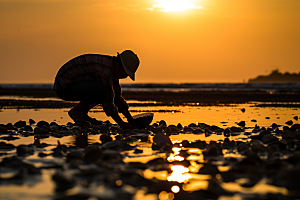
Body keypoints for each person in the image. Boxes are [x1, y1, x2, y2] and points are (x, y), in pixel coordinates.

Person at [53, 50, 139, 129]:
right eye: (125, 74)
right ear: (117, 65)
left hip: (76, 84)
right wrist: (122, 124)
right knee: (101, 91)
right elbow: (108, 101)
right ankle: (76, 111)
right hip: (64, 87)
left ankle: (83, 113)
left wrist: (130, 119)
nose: (125, 77)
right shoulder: (105, 71)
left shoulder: (112, 69)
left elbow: (117, 97)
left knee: (101, 90)